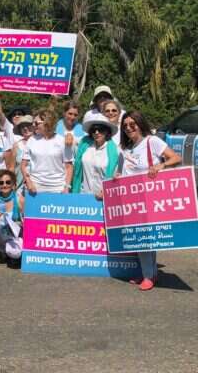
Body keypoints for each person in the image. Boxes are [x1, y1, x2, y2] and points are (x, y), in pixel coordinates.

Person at [118, 111, 181, 291]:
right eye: (125, 125)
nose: (129, 128)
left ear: (140, 124)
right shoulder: (126, 148)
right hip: (131, 200)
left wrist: (161, 165)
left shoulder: (151, 141)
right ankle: (147, 272)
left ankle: (149, 275)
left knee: (146, 237)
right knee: (137, 238)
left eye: (132, 124)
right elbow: (122, 172)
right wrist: (117, 176)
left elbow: (176, 158)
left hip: (149, 197)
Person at [21, 108, 74, 194]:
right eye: (33, 123)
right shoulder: (31, 140)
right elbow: (23, 165)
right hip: (35, 187)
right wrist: (28, 182)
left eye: (36, 123)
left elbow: (69, 167)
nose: (33, 125)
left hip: (58, 188)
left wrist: (67, 187)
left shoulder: (62, 141)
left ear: (47, 123)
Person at [71, 114, 119, 198]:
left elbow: (116, 176)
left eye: (100, 129)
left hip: (103, 197)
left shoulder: (115, 151)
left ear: (107, 131)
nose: (97, 132)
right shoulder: (84, 145)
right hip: (83, 195)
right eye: (94, 130)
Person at [12, 115, 34, 190]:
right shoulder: (16, 145)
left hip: (38, 185)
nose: (25, 128)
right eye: (22, 126)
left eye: (28, 125)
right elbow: (12, 167)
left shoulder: (41, 143)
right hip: (19, 186)